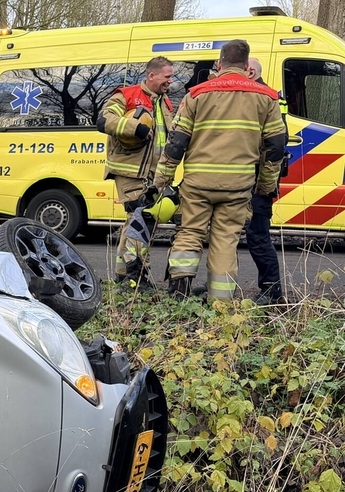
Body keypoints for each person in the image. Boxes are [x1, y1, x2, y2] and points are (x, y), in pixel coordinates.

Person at [153, 40, 286, 301]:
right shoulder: (267, 98)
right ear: (247, 65)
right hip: (238, 187)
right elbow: (275, 148)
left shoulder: (196, 94)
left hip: (197, 183)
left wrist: (162, 180)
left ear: (220, 62)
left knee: (189, 234)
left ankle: (179, 295)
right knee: (226, 240)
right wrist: (265, 186)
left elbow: (176, 142)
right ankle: (221, 304)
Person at [98, 56, 174, 289]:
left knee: (137, 222)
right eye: (167, 76)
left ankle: (124, 277)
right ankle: (136, 277)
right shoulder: (127, 95)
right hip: (130, 172)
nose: (170, 81)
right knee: (140, 220)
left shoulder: (165, 103)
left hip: (154, 174)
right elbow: (103, 120)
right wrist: (136, 128)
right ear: (151, 75)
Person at [244, 57, 288, 304]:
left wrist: (265, 184)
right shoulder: (269, 96)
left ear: (250, 71)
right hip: (258, 177)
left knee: (258, 234)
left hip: (260, 178)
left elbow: (275, 144)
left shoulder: (262, 97)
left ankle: (272, 293)